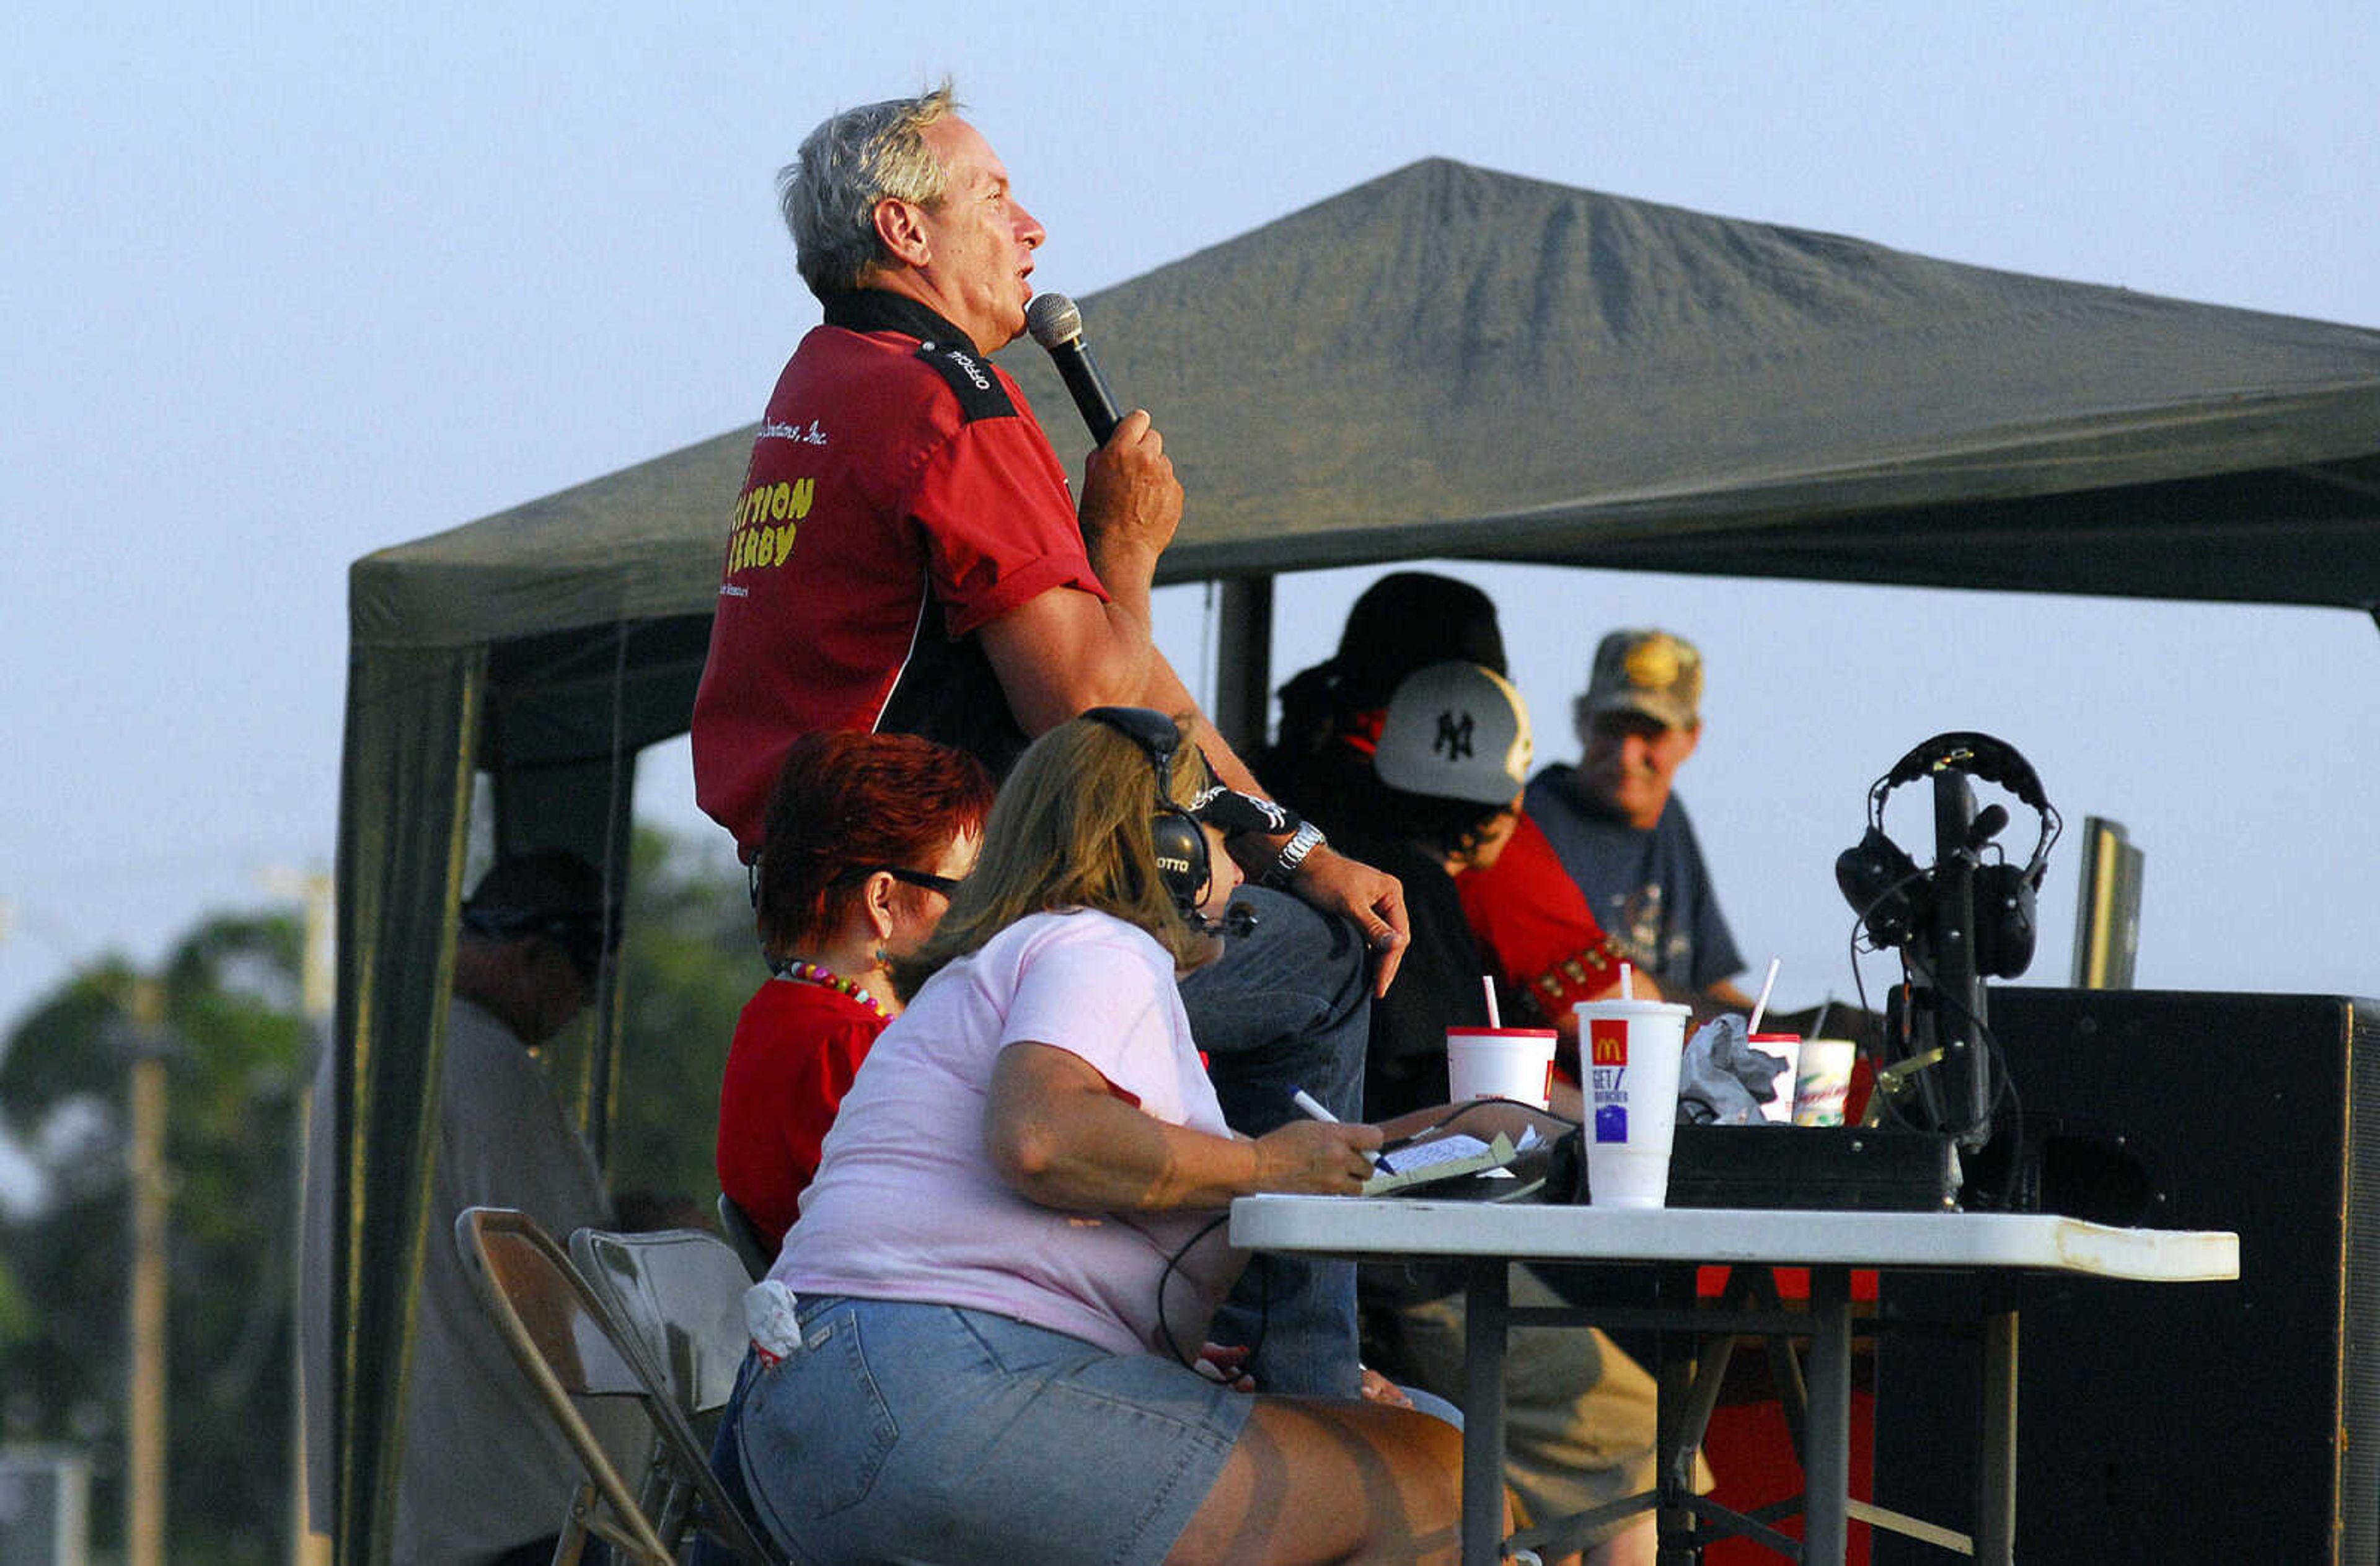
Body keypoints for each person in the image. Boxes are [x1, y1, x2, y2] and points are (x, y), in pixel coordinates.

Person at [687, 83, 1403, 1396]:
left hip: (843, 906)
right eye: (996, 199)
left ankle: (1176, 1309)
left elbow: (1119, 675)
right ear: (906, 231)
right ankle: (1297, 1376)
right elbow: (1098, 711)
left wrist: (1295, 839)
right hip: (952, 912)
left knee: (1268, 902)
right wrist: (1127, 549)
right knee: (1319, 967)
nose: (1032, 228)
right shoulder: (949, 399)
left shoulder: (817, 385)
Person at [718, 711, 1483, 1565]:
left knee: (1401, 1447)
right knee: (1432, 1473)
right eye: (1228, 837)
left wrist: (1457, 1129)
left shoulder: (1036, 957)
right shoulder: (1096, 941)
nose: (1240, 870)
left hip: (834, 1412)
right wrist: (1263, 1163)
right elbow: (1041, 1135)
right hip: (929, 1392)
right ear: (1165, 853)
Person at [1298, 661, 1696, 1566]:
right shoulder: (1416, 894)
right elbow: (1472, 1119)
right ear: (1502, 803)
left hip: (1333, 1249)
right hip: (1412, 1259)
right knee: (1642, 1459)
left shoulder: (1330, 853)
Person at [301, 852, 617, 1566]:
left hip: (407, 1505)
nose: (575, 1012)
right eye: (582, 985)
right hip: (512, 1501)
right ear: (536, 957)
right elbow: (564, 1279)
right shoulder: (490, 1067)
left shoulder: (370, 1046)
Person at [715, 729, 995, 1252]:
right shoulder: (851, 1048)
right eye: (967, 889)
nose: (983, 913)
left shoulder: (783, 1015)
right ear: (882, 901)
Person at [1523, 628, 1755, 1010]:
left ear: (1691, 738)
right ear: (1580, 719)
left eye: (1651, 733)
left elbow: (1710, 987)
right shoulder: (1531, 827)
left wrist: (1811, 1031)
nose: (1627, 755)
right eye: (1612, 728)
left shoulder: (1669, 817)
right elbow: (1588, 999)